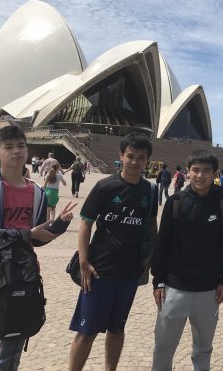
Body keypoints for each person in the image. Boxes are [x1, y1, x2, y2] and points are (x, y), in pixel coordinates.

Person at [0, 125, 76, 370]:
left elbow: (36, 240)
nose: (16, 151)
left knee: (10, 358)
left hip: (22, 276)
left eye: (21, 146)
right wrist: (27, 234)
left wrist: (59, 225)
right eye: (8, 147)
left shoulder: (37, 193)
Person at [68, 132, 158, 371]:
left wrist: (149, 260)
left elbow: (151, 226)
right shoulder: (105, 187)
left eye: (141, 157)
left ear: (147, 160)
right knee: (87, 331)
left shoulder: (150, 191)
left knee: (117, 328)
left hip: (129, 272)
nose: (135, 162)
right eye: (130, 156)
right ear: (121, 156)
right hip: (100, 270)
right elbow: (86, 223)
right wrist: (84, 262)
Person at [151, 150, 223, 370]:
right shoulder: (176, 202)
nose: (200, 175)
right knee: (163, 347)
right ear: (187, 172)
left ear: (214, 173)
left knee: (203, 349)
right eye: (195, 170)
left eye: (206, 171)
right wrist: (159, 281)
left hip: (209, 290)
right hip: (174, 288)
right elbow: (162, 243)